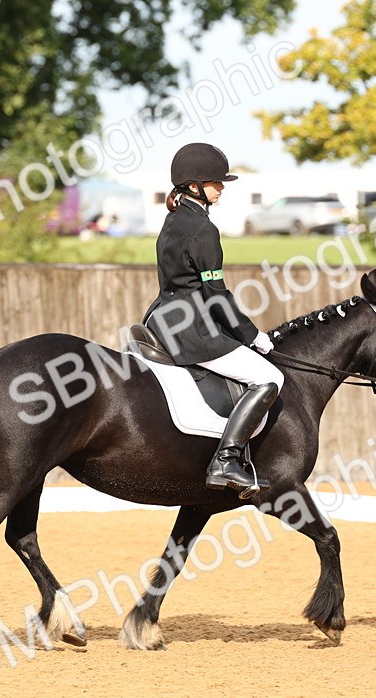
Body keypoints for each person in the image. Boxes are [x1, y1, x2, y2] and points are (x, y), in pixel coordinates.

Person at [142, 143, 284, 497]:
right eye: (215, 182)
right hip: (192, 330)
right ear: (194, 186)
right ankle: (226, 459)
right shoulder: (203, 229)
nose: (221, 187)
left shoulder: (173, 221)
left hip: (161, 319)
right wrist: (252, 335)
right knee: (270, 377)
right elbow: (216, 294)